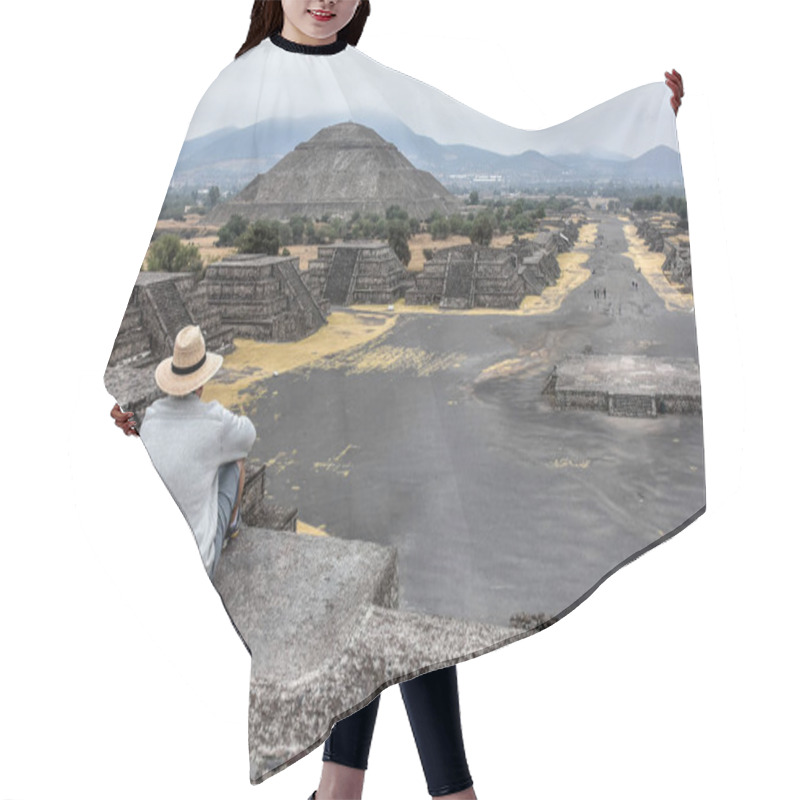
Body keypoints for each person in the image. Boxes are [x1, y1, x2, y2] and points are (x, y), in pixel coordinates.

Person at [110, 2, 686, 797]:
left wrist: (642, 117)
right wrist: (145, 400)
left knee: (395, 587)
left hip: (387, 413)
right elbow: (158, 289)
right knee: (387, 596)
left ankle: (348, 788)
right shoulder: (232, 89)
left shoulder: (373, 85)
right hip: (272, 413)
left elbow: (509, 138)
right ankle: (433, 790)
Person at [130, 325, 255, 579]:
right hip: (195, 569)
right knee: (234, 462)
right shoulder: (214, 420)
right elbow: (248, 435)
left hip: (150, 562)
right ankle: (231, 526)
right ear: (202, 382)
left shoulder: (151, 417)